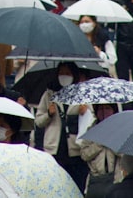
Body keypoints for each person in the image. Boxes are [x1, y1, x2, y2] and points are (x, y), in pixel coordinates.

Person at [35, 62, 90, 191]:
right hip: (54, 150)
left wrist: (84, 112)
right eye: (61, 73)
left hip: (75, 151)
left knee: (76, 187)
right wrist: (49, 114)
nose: (64, 76)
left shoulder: (82, 95)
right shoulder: (49, 95)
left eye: (67, 73)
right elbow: (38, 121)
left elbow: (91, 120)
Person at [80, 103, 119, 198]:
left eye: (107, 108)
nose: (104, 112)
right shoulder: (90, 131)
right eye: (101, 109)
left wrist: (110, 140)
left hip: (115, 179)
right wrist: (99, 142)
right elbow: (84, 155)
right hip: (96, 179)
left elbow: (124, 154)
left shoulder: (120, 129)